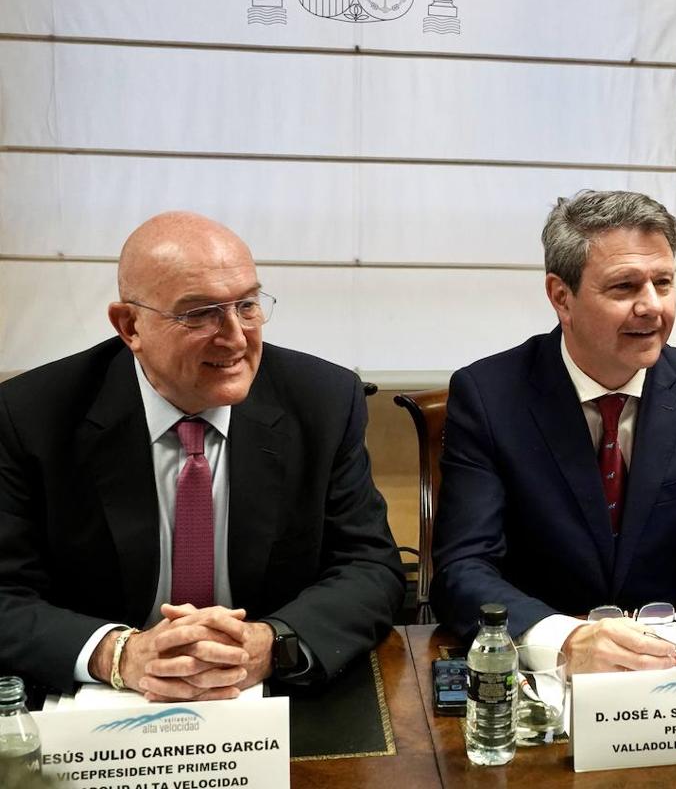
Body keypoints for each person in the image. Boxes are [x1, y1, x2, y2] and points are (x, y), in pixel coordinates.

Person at [0, 212, 405, 700]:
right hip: (107, 700)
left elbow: (370, 567)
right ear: (130, 325)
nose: (235, 337)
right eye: (200, 313)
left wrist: (271, 643)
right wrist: (120, 655)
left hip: (268, 692)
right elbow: (6, 593)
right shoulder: (32, 416)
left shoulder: (323, 400)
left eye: (247, 305)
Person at [431, 190, 676, 674]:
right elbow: (464, 567)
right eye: (625, 287)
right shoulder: (489, 397)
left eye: (664, 283)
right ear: (561, 297)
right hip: (539, 672)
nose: (652, 307)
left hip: (672, 667)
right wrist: (563, 639)